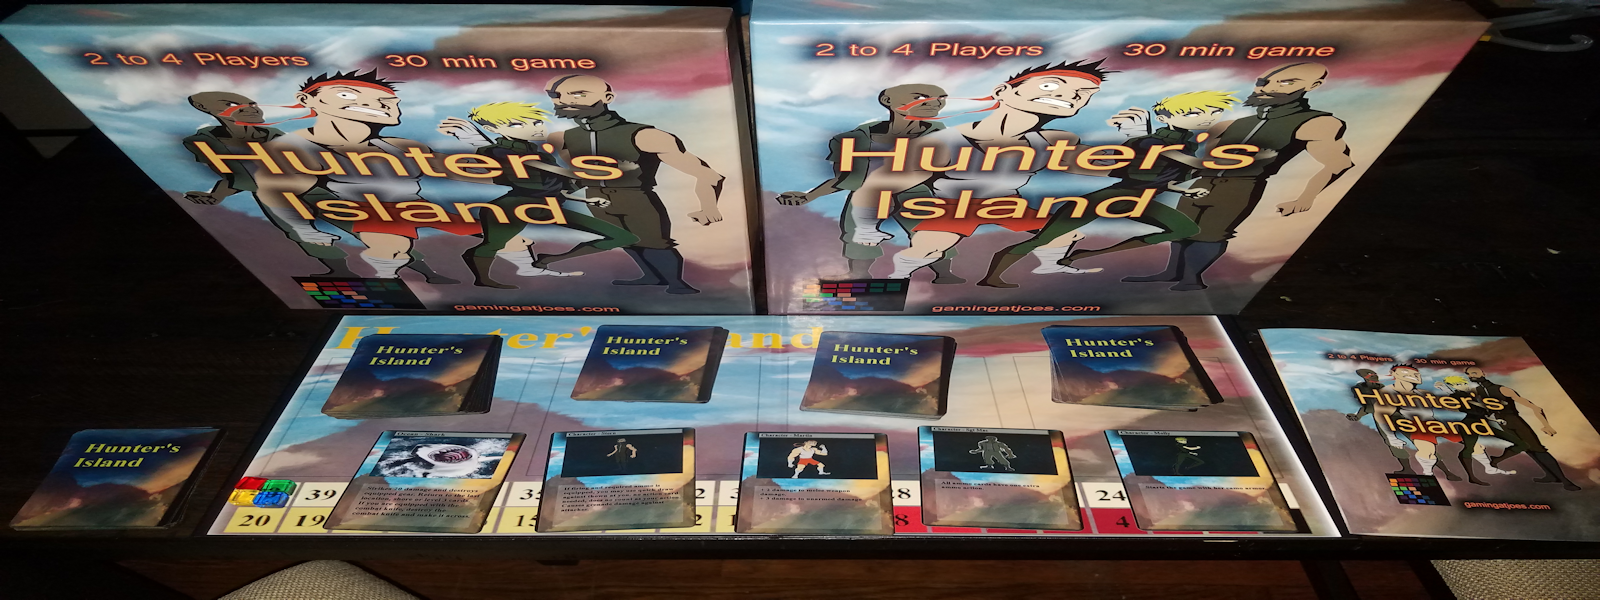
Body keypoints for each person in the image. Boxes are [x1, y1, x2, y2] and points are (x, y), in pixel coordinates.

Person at [846, 60, 1110, 280]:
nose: (1070, 96)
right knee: (929, 249)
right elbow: (878, 185)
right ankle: (900, 275)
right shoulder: (943, 143)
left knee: (1064, 233)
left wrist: (1134, 139)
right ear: (1003, 91)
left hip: (1008, 203)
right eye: (1050, 86)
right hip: (955, 206)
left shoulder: (1053, 140)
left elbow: (1104, 168)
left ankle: (1050, 265)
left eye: (1084, 92)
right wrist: (867, 226)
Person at [1123, 62, 1353, 291]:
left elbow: (1339, 163)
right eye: (1262, 82)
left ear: (1313, 85)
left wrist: (1305, 198)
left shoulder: (1316, 123)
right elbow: (1195, 159)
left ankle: (1191, 279)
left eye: (1286, 82)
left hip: (1240, 187)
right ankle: (1172, 272)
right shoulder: (1229, 125)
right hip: (1201, 183)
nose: (1267, 88)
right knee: (1180, 228)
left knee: (1211, 233)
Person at [977, 90, 1235, 287]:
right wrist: (1240, 160)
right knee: (1042, 239)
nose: (1207, 117)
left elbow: (1156, 178)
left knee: (1186, 229)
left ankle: (1086, 254)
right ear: (1163, 118)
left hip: (1139, 200)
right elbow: (1189, 164)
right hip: (1111, 198)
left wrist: (1181, 190)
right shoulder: (1154, 142)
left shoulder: (1185, 142)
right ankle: (991, 278)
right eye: (1194, 113)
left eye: (1214, 112)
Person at [256, 70, 483, 281]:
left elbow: (478, 172)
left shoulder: (400, 146)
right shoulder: (295, 147)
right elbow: (274, 191)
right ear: (307, 99)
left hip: (419, 206)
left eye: (386, 102)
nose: (371, 104)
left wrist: (478, 142)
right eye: (346, 95)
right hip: (367, 209)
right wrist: (302, 229)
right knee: (391, 249)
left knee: (499, 234)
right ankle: (386, 282)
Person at [544, 74, 725, 295]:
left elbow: (708, 175)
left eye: (579, 94)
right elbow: (579, 176)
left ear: (607, 97)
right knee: (623, 240)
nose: (564, 100)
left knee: (656, 242)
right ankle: (652, 276)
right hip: (595, 199)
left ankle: (677, 284)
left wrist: (709, 207)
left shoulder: (645, 135)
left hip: (636, 198)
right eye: (556, 95)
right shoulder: (563, 138)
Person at [437, 101, 638, 288]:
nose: (535, 127)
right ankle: (483, 279)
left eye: (537, 121)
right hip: (513, 207)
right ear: (492, 129)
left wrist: (585, 199)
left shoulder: (539, 153)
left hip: (548, 206)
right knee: (493, 245)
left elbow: (553, 186)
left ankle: (549, 259)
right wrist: (615, 169)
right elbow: (563, 173)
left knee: (622, 236)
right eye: (518, 124)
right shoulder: (499, 152)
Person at [776, 84, 962, 282]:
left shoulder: (942, 136)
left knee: (932, 231)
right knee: (856, 232)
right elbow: (846, 178)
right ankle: (858, 274)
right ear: (888, 101)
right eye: (920, 97)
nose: (934, 104)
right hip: (869, 193)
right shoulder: (859, 138)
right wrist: (809, 196)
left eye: (940, 99)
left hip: (914, 192)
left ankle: (944, 274)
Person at [182, 91, 357, 277]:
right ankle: (341, 271)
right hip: (273, 196)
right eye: (231, 104)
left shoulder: (274, 134)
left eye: (253, 104)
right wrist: (217, 195)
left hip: (309, 187)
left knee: (355, 221)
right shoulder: (202, 142)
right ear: (204, 108)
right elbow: (241, 176)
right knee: (303, 233)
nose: (250, 109)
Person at [1469, 367, 1581, 491]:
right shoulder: (1478, 391)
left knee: (1538, 448)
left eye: (1474, 373)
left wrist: (1546, 425)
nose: (1471, 375)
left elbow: (1535, 408)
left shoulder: (1503, 390)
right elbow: (1485, 410)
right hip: (1503, 423)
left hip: (1515, 421)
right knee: (1528, 448)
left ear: (1483, 373)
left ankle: (1565, 481)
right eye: (1468, 374)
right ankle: (1551, 476)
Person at [1346, 368, 1417, 474]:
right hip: (1382, 418)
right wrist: (1358, 416)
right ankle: (1408, 469)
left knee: (1416, 438)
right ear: (1364, 377)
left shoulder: (1383, 388)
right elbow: (1368, 406)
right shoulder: (1361, 388)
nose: (1375, 375)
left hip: (1395, 415)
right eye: (1370, 374)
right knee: (1392, 442)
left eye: (1374, 374)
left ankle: (1436, 464)